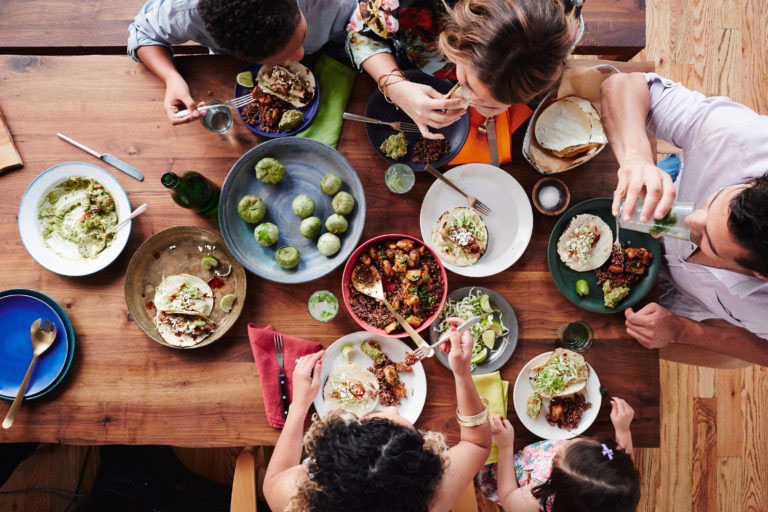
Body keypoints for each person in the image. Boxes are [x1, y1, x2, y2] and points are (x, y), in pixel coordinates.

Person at [601, 72, 768, 367]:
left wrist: (683, 329)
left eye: (708, 242)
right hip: (659, 188)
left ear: (759, 275)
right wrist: (636, 159)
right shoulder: (740, 138)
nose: (688, 220)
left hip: (687, 304)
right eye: (712, 201)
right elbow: (623, 84)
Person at [262, 321, 492, 512]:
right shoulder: (433, 498)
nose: (392, 409)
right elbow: (478, 443)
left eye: (372, 417)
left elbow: (273, 482)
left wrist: (299, 404)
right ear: (418, 477)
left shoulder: (295, 501)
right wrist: (462, 372)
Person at [345, 0, 584, 138]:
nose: (473, 100)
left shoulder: (561, 12)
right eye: (469, 84)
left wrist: (507, 101)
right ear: (456, 37)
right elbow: (360, 32)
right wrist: (396, 87)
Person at [128, 0, 356, 124]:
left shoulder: (336, 3)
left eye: (301, 38)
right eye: (281, 58)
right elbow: (142, 33)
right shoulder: (186, 9)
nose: (299, 57)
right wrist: (171, 77)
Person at [485, 398, 639, 512]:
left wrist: (504, 447)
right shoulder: (620, 489)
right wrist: (623, 431)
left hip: (512, 472)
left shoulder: (533, 500)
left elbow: (507, 498)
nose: (561, 444)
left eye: (558, 454)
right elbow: (621, 466)